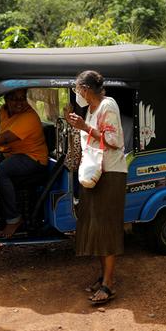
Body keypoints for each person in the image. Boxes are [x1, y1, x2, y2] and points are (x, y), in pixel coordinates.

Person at [66, 70, 127, 305]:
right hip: (96, 174)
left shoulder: (107, 106)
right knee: (98, 227)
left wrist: (84, 127)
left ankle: (108, 285)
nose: (77, 94)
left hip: (110, 173)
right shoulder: (90, 110)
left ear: (87, 90)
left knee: (107, 227)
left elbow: (114, 141)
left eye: (79, 89)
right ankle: (104, 277)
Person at [0, 89, 48, 238]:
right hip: (12, 153)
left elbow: (4, 138)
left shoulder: (29, 117)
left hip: (33, 158)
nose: (19, 103)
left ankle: (13, 219)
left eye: (22, 99)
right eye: (15, 99)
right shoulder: (3, 111)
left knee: (1, 171)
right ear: (6, 99)